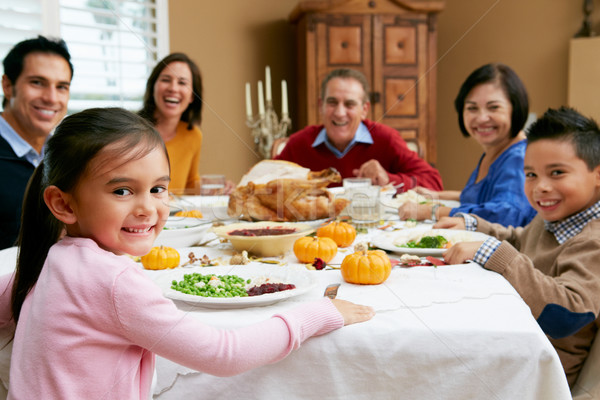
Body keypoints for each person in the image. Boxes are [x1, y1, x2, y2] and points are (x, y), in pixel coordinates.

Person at [0, 107, 374, 399]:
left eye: (159, 188)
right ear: (63, 204)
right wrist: (317, 314)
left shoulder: (50, 260)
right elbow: (224, 354)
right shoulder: (112, 281)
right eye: (122, 191)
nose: (148, 208)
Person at [438, 107, 600, 388]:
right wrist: (477, 227)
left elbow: (568, 315)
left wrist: (497, 254)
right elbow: (522, 239)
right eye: (531, 174)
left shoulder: (592, 241)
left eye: (557, 173)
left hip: (538, 375)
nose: (541, 187)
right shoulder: (557, 217)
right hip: (514, 338)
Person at [398, 63, 537, 227]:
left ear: (515, 108)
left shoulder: (519, 157)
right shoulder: (495, 151)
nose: (482, 118)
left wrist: (431, 211)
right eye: (472, 108)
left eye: (493, 108)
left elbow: (505, 214)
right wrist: (437, 195)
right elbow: (483, 197)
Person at [274, 68, 443, 191]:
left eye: (350, 104)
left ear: (364, 110)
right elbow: (263, 183)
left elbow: (434, 182)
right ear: (321, 106)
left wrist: (387, 179)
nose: (340, 113)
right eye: (332, 102)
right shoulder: (299, 143)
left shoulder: (386, 139)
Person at [0, 35, 73, 249]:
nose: (51, 98)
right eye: (37, 82)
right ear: (8, 86)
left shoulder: (67, 154)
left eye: (61, 87)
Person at [139, 52, 233, 195]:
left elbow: (190, 183)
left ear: (192, 97)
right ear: (153, 87)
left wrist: (218, 187)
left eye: (182, 83)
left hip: (174, 215)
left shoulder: (193, 135)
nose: (173, 88)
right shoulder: (130, 131)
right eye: (166, 79)